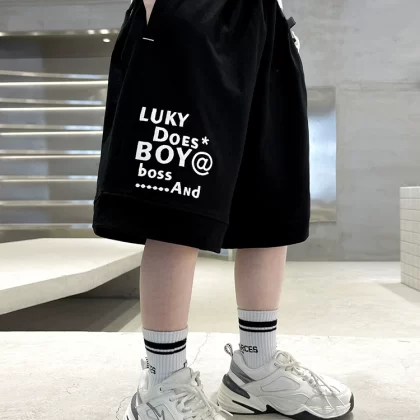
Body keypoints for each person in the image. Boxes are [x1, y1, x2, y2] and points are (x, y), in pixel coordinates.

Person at [93, 0, 354, 419]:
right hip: (194, 13)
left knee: (271, 206)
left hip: (265, 22)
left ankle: (255, 368)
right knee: (177, 207)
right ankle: (162, 383)